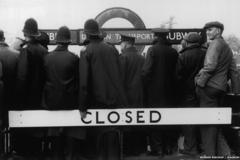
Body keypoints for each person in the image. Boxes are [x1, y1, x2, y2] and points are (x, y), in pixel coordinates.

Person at [79, 19, 127, 160]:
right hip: (114, 104)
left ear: (86, 34)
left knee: (98, 148)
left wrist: (82, 107)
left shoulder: (86, 51)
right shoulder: (111, 49)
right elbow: (119, 76)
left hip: (95, 105)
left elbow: (84, 83)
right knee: (113, 146)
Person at [195, 21, 239, 157]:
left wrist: (199, 82)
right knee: (216, 122)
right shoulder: (226, 46)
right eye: (207, 30)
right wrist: (236, 90)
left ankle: (209, 155)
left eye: (210, 30)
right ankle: (223, 153)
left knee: (207, 124)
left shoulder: (214, 44)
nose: (207, 32)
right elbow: (233, 71)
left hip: (209, 88)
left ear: (219, 31)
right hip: (220, 89)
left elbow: (210, 66)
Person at [43, 26, 84, 160]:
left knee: (55, 140)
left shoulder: (47, 58)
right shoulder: (74, 59)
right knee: (70, 140)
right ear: (68, 42)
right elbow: (78, 82)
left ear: (57, 41)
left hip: (51, 104)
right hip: (69, 103)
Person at [13, 18, 48, 157]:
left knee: (26, 131)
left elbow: (22, 77)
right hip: (41, 96)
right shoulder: (43, 51)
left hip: (27, 98)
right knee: (37, 130)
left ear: (26, 34)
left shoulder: (25, 50)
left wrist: (18, 100)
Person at [142, 28, 179, 156]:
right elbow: (177, 73)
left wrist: (146, 86)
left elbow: (146, 71)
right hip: (171, 92)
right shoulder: (173, 52)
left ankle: (157, 149)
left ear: (156, 36)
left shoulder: (152, 50)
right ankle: (168, 147)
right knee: (168, 118)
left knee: (155, 118)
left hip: (154, 92)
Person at [176, 32, 206, 156]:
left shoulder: (182, 56)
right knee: (203, 119)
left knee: (188, 120)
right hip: (204, 91)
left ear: (187, 42)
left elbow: (178, 76)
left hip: (187, 93)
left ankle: (190, 148)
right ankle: (201, 146)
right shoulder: (205, 53)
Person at [119, 34, 146, 155]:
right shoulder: (142, 58)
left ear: (125, 44)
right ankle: (140, 148)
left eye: (121, 44)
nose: (120, 46)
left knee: (127, 122)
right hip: (140, 95)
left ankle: (128, 150)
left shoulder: (123, 57)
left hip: (127, 96)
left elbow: (121, 79)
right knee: (139, 120)